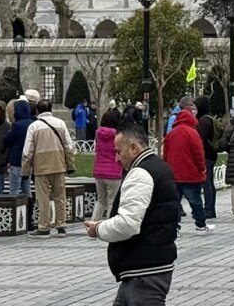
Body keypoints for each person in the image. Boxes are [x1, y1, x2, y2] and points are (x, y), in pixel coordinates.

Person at [85, 121, 179, 306]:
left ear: (134, 148)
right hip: (147, 265)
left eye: (119, 152)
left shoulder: (141, 173)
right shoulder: (160, 167)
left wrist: (98, 229)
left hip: (144, 271)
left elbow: (127, 224)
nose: (117, 159)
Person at [22, 98, 74, 237]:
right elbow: (69, 146)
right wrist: (70, 164)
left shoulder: (34, 126)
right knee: (60, 197)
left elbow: (28, 150)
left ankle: (44, 227)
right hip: (59, 164)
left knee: (43, 198)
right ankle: (61, 226)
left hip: (41, 167)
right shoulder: (61, 123)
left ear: (37, 111)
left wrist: (25, 171)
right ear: (51, 109)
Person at [162, 101, 210, 232]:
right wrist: (202, 168)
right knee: (195, 201)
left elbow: (165, 154)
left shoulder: (171, 134)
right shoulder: (192, 133)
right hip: (190, 173)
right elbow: (199, 154)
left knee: (174, 202)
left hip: (174, 173)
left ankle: (174, 225)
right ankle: (200, 224)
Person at [91, 107, 124, 222]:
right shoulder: (118, 136)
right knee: (112, 201)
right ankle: (110, 224)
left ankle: (93, 223)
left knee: (100, 200)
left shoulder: (98, 133)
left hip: (99, 170)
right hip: (114, 171)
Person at [193, 96, 221, 222]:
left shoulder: (204, 121)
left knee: (207, 183)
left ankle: (209, 209)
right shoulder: (209, 118)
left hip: (206, 155)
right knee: (209, 182)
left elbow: (201, 139)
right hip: (211, 154)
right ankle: (210, 208)